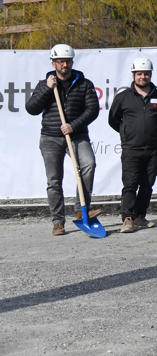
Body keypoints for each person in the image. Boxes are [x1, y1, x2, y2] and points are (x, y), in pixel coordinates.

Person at [25, 44, 101, 236]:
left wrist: (73, 125)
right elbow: (31, 109)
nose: (64, 65)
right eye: (60, 62)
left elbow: (92, 110)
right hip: (50, 137)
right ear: (54, 63)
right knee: (54, 180)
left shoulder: (84, 84)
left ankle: (80, 210)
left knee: (88, 165)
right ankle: (58, 221)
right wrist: (48, 90)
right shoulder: (45, 84)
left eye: (67, 61)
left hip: (77, 135)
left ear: (72, 62)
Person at [108, 58, 157, 233]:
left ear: (150, 74)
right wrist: (127, 133)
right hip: (131, 149)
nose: (143, 77)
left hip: (153, 148)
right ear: (133, 75)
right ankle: (127, 218)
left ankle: (140, 217)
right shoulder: (123, 98)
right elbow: (113, 120)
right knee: (130, 184)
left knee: (147, 184)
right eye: (139, 74)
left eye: (146, 73)